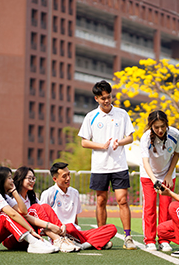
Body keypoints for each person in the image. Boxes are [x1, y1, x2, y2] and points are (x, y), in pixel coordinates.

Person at [77, 80, 137, 250]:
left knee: (122, 200)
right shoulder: (91, 117)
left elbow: (130, 137)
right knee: (101, 201)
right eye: (102, 98)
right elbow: (84, 142)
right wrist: (101, 145)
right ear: (96, 98)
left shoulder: (122, 114)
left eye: (108, 97)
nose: (106, 100)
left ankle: (128, 237)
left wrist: (120, 142)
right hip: (100, 166)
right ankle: (102, 237)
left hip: (119, 165)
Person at [0, 166, 58, 253]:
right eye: (9, 178)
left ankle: (40, 241)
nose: (12, 180)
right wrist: (31, 230)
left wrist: (14, 192)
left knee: (16, 215)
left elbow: (23, 211)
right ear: (1, 180)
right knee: (4, 216)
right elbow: (13, 214)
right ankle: (34, 243)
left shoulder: (4, 196)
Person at [39, 162, 117, 250]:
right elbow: (43, 219)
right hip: (61, 233)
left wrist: (76, 230)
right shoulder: (48, 194)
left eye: (69, 175)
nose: (68, 178)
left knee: (112, 228)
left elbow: (75, 218)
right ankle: (95, 242)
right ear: (55, 179)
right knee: (70, 227)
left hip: (77, 232)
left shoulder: (74, 192)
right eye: (64, 176)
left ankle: (84, 245)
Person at [139, 110, 179, 251]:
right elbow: (145, 162)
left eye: (163, 126)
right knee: (150, 207)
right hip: (148, 175)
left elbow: (177, 153)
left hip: (167, 175)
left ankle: (164, 240)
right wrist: (154, 180)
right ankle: (149, 240)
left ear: (166, 124)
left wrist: (169, 175)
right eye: (156, 127)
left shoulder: (175, 134)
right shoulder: (145, 138)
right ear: (151, 126)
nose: (160, 130)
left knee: (166, 208)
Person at [11, 166, 81, 253]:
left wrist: (60, 225)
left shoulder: (31, 197)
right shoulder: (13, 198)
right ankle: (57, 239)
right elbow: (24, 217)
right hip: (17, 236)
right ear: (20, 179)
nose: (32, 181)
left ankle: (62, 239)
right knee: (35, 208)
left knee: (45, 206)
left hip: (32, 234)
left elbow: (44, 211)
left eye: (33, 178)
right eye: (29, 178)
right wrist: (50, 226)